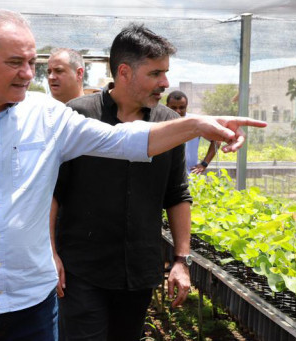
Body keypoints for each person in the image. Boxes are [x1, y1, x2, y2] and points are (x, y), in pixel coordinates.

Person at [0, 10, 266, 341]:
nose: (28, 74)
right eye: (15, 62)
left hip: (31, 302)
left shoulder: (47, 116)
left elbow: (126, 141)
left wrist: (197, 124)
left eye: (32, 62)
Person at [51, 23, 217, 341]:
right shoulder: (79, 115)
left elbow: (177, 193)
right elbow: (52, 193)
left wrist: (181, 260)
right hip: (82, 271)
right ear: (124, 72)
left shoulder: (169, 123)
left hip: (139, 272)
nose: (165, 83)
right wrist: (51, 253)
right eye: (155, 74)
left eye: (165, 73)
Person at [166, 90, 219, 174]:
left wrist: (204, 164)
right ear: (167, 106)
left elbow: (217, 140)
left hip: (189, 176)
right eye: (173, 108)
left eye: (181, 107)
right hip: (165, 176)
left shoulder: (194, 122)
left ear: (186, 106)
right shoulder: (160, 123)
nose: (177, 111)